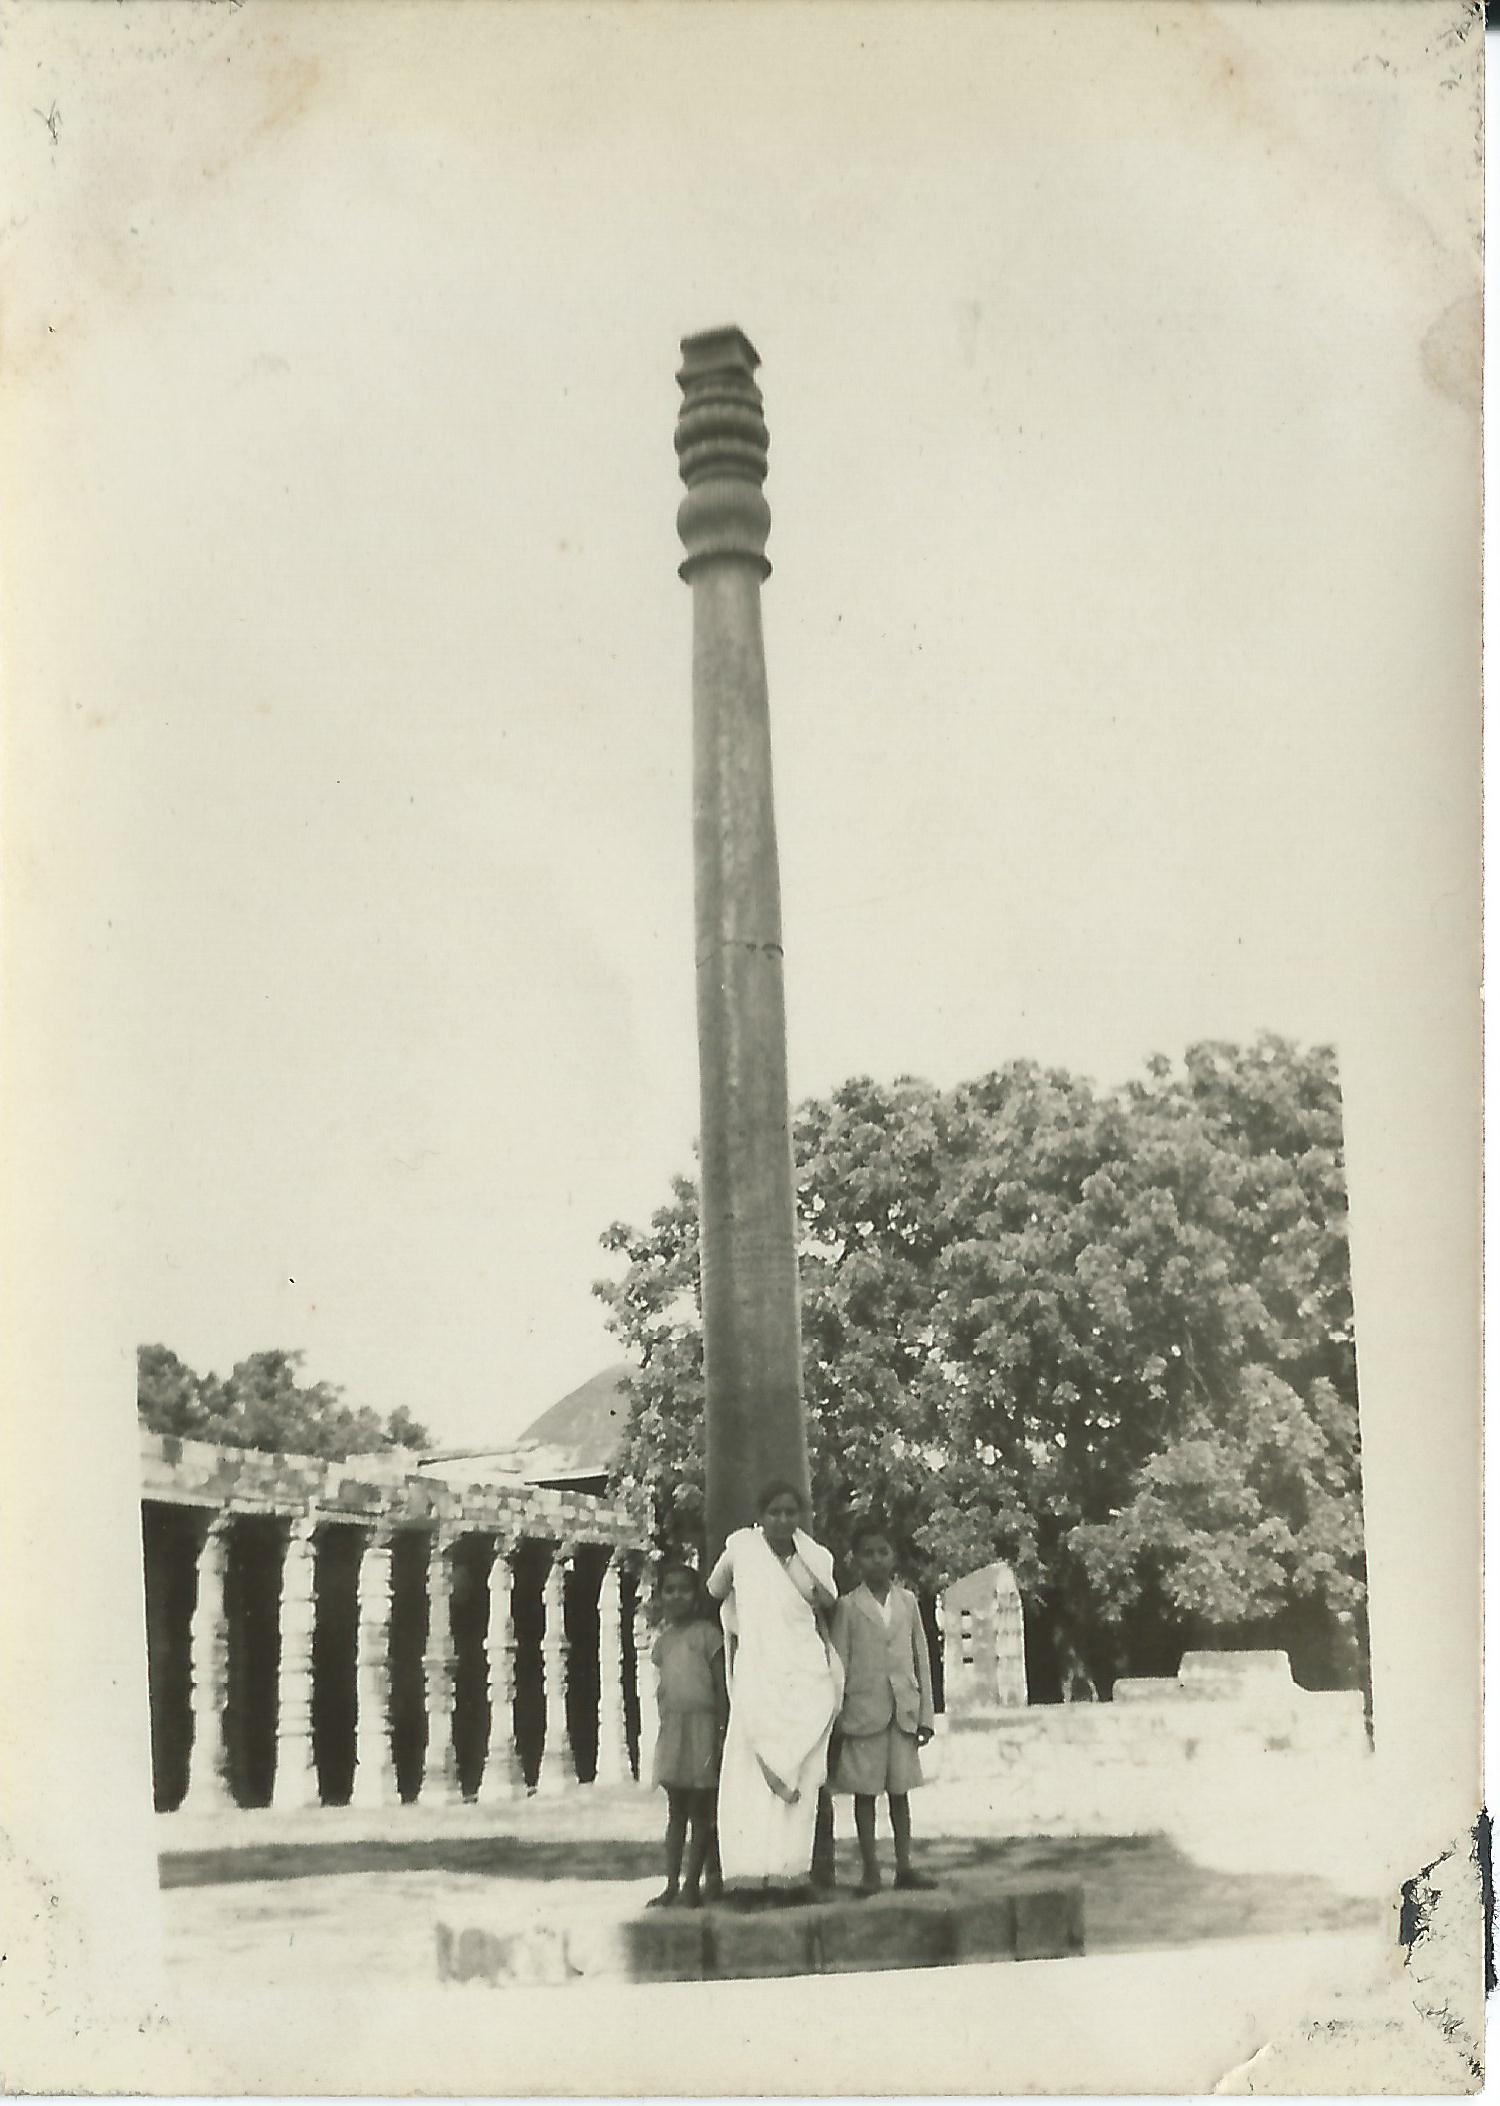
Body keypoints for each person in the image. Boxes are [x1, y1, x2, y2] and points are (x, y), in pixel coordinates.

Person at [705, 1479, 843, 1905]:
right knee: (750, 1778)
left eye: (790, 1513)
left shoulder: (814, 1558)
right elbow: (715, 1589)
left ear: (799, 1517)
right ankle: (747, 1877)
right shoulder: (743, 1549)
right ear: (762, 1516)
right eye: (775, 1513)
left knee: (800, 1778)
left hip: (800, 1675)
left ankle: (790, 1874)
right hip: (758, 1675)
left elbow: (825, 1603)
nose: (783, 1520)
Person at [829, 1517, 938, 1896]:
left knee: (900, 1793)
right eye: (867, 1554)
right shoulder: (847, 1606)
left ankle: (905, 1866)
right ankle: (871, 1870)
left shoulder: (908, 1603)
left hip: (903, 1712)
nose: (876, 1560)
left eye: (883, 1552)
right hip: (863, 1714)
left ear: (894, 1557)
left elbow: (921, 1658)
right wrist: (839, 1716)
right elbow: (838, 1664)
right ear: (855, 1560)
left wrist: (926, 1715)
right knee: (865, 1794)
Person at [646, 1561, 728, 1909]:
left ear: (696, 1596)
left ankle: (693, 1884)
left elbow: (722, 1687)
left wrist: (721, 1731)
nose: (676, 1596)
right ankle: (670, 1884)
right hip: (674, 1730)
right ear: (660, 1596)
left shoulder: (708, 1635)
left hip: (703, 1728)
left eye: (684, 1589)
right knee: (675, 1810)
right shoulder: (663, 1642)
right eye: (669, 1590)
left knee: (700, 1809)